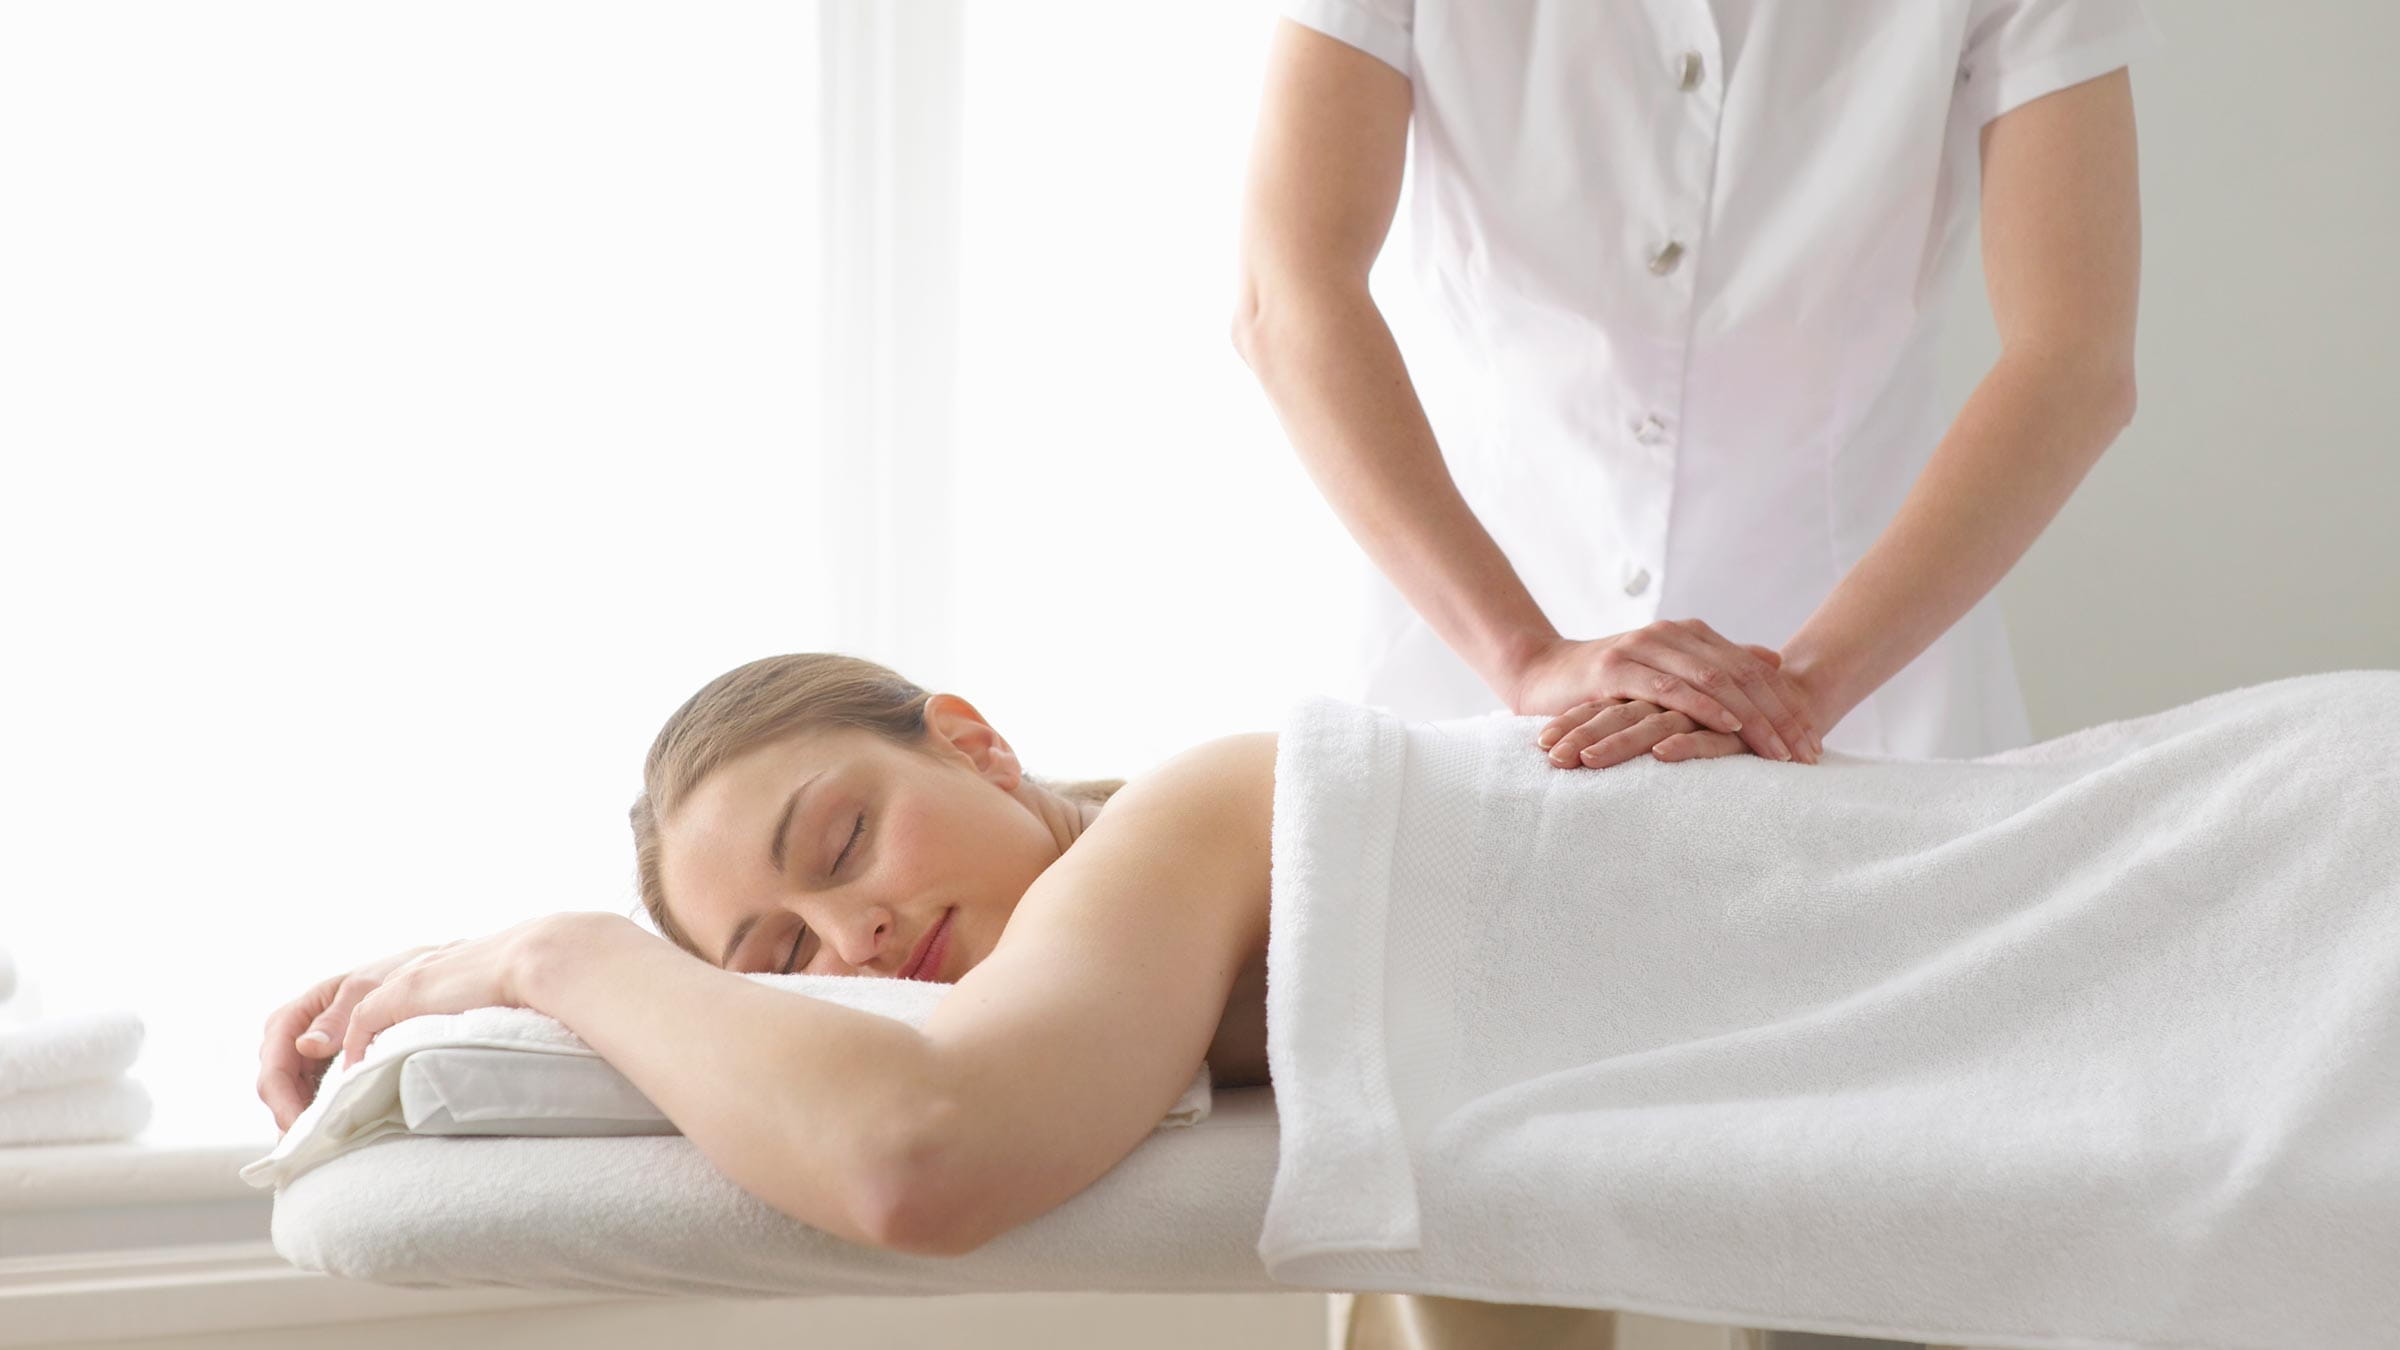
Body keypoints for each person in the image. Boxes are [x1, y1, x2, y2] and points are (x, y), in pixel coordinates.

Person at [1231, 1, 2158, 1343]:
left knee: (1879, 1258)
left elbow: (2074, 360)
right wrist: (1526, 653)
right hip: (1468, 704)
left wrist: (1805, 683)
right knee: (1469, 1271)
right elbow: (1287, 292)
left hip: (1870, 732)